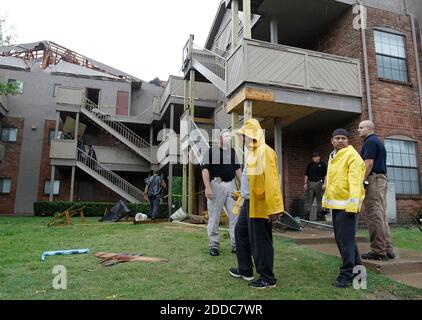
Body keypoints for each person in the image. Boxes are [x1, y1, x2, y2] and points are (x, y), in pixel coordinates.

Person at [229, 119, 284, 289]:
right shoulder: (252, 153)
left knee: (261, 241)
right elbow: (250, 181)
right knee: (240, 233)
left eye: (244, 135)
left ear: (251, 136)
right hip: (248, 203)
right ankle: (245, 269)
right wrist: (240, 194)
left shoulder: (264, 152)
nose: (242, 139)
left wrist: (274, 208)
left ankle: (268, 278)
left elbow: (272, 182)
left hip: (260, 205)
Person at [322, 128, 366, 288]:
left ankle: (346, 275)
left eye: (343, 138)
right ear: (331, 141)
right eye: (337, 138)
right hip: (337, 205)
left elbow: (355, 182)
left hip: (348, 207)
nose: (340, 141)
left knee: (345, 243)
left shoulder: (352, 156)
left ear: (348, 141)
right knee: (346, 242)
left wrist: (352, 206)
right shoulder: (333, 156)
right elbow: (334, 181)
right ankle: (360, 276)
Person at [358, 120, 395, 261]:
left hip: (374, 180)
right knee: (381, 216)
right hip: (381, 179)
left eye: (361, 128)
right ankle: (388, 249)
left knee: (374, 215)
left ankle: (378, 251)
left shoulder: (370, 141)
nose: (358, 130)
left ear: (369, 129)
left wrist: (360, 181)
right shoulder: (376, 141)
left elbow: (368, 163)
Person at [201, 129, 242, 256]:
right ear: (220, 138)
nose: (229, 138)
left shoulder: (232, 151)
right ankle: (214, 245)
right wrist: (207, 187)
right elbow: (205, 170)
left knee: (235, 216)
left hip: (231, 186)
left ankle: (236, 245)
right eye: (227, 136)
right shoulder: (211, 151)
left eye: (230, 136)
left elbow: (237, 170)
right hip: (216, 185)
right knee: (214, 216)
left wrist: (243, 187)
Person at [304, 152, 327, 221]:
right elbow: (306, 174)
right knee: (308, 201)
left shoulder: (323, 164)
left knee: (320, 201)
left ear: (319, 157)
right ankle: (306, 217)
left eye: (316, 157)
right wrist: (305, 183)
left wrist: (325, 184)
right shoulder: (310, 165)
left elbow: (326, 175)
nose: (314, 158)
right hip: (310, 183)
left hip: (319, 184)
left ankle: (320, 217)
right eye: (313, 157)